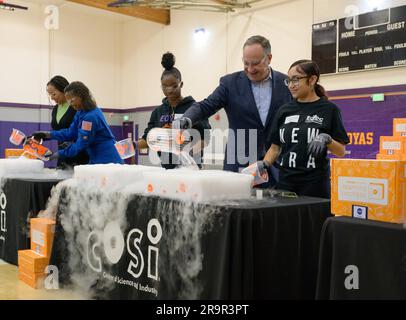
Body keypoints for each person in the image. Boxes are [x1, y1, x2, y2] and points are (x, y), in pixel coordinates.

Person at [173, 35, 292, 184]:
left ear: (269, 58)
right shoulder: (230, 84)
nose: (250, 69)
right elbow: (206, 105)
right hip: (240, 165)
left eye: (255, 64)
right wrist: (187, 118)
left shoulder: (286, 84)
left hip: (277, 166)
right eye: (246, 63)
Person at [256, 59, 349, 198]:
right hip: (286, 184)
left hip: (315, 185)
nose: (291, 85)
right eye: (289, 80)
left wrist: (327, 139)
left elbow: (341, 151)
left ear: (312, 80)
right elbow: (275, 148)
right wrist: (265, 163)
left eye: (296, 80)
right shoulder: (284, 110)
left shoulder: (330, 110)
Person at [137, 52, 211, 169]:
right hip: (167, 168)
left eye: (173, 86)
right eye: (164, 86)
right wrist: (132, 145)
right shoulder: (158, 112)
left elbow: (205, 138)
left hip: (190, 167)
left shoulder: (194, 108)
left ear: (181, 84)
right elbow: (147, 139)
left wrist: (188, 153)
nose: (169, 90)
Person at [32, 81, 123, 165]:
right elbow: (71, 132)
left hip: (107, 160)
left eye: (72, 100)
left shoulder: (90, 117)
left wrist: (60, 154)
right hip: (95, 158)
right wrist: (48, 135)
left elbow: (81, 144)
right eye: (68, 101)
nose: (71, 104)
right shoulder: (81, 112)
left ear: (81, 96)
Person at [47, 75, 89, 168]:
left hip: (78, 155)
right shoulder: (55, 109)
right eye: (49, 95)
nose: (52, 98)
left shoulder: (79, 109)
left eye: (54, 94)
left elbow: (79, 136)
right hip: (63, 154)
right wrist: (45, 136)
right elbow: (66, 132)